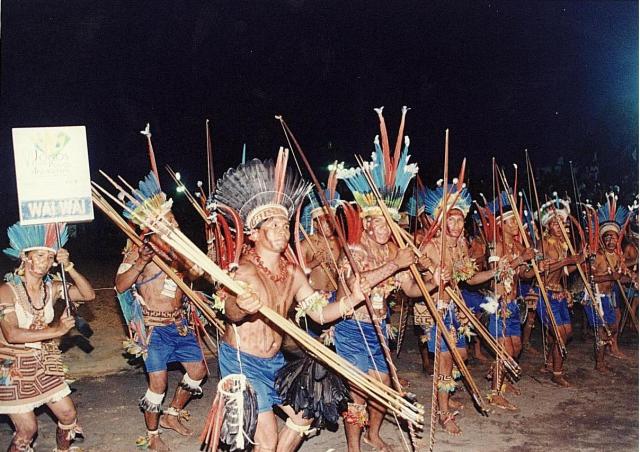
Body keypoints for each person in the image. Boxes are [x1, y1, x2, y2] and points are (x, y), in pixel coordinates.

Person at [214, 149, 366, 452]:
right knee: (266, 440)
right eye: (273, 226)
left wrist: (352, 300)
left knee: (303, 418)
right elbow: (230, 312)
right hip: (243, 362)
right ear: (254, 235)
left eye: (285, 225)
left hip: (276, 362)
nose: (282, 231)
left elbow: (320, 314)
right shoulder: (244, 270)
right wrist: (240, 306)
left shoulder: (293, 272)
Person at [335, 107, 431, 450]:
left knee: (384, 387)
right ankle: (354, 447)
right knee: (360, 390)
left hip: (380, 327)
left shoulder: (394, 252)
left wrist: (434, 280)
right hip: (353, 327)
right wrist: (395, 265)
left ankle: (374, 434)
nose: (382, 229)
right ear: (368, 221)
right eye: (377, 223)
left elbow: (408, 289)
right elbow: (355, 285)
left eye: (389, 224)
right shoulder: (354, 249)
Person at [114, 172, 207, 451]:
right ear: (154, 226)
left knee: (199, 370)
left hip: (180, 325)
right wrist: (142, 261)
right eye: (168, 220)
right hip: (154, 330)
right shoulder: (138, 252)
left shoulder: (179, 251)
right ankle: (153, 436)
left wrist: (195, 265)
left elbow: (196, 273)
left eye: (173, 218)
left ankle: (172, 414)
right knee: (159, 384)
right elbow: (120, 286)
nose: (174, 222)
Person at [0, 222, 95, 452]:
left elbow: (88, 295)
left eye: (50, 257)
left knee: (68, 414)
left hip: (44, 362)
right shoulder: (6, 291)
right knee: (27, 430)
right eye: (40, 255)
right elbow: (11, 334)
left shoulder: (51, 287)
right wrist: (56, 331)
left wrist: (69, 266)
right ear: (25, 257)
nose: (46, 261)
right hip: (11, 367)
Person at [419, 179, 496, 434]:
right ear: (440, 221)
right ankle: (442, 413)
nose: (455, 224)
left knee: (460, 356)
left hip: (457, 309)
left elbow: (469, 278)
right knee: (445, 363)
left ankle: (446, 396)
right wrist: (433, 275)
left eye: (459, 219)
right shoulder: (430, 246)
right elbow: (418, 281)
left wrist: (493, 273)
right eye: (450, 220)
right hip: (438, 310)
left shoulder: (462, 245)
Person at [482, 191, 536, 411]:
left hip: (514, 304)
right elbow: (495, 274)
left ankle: (501, 382)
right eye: (512, 221)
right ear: (501, 224)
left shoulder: (517, 246)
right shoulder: (495, 246)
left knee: (516, 347)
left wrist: (533, 269)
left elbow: (522, 275)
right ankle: (494, 393)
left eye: (517, 220)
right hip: (497, 303)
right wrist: (520, 259)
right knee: (505, 351)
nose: (517, 224)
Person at [534, 196, 580, 386]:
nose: (560, 226)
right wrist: (567, 261)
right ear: (548, 227)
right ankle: (557, 372)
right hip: (543, 294)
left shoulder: (563, 245)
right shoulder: (543, 244)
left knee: (567, 332)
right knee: (560, 335)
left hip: (558, 293)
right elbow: (541, 272)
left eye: (562, 222)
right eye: (555, 223)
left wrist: (580, 261)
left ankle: (550, 362)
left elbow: (564, 272)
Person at [587, 194, 635, 368]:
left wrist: (633, 277)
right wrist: (609, 277)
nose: (610, 240)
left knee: (613, 326)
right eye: (606, 237)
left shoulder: (617, 256)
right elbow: (590, 278)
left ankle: (604, 353)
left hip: (608, 296)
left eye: (613, 237)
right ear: (602, 239)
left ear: (617, 239)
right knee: (602, 329)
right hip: (595, 296)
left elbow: (623, 273)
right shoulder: (598, 256)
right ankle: (599, 363)